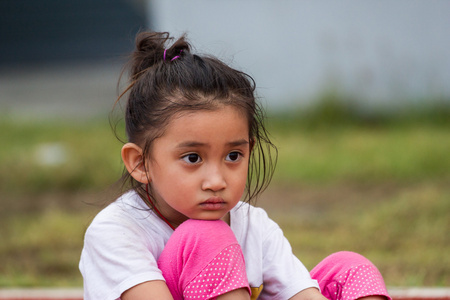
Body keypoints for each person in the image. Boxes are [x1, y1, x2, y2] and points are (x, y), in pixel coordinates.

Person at [79, 31, 391, 300]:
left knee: (349, 269)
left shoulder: (254, 226)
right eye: (192, 158)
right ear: (141, 163)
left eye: (233, 156)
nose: (216, 180)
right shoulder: (116, 231)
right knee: (206, 236)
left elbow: (301, 293)